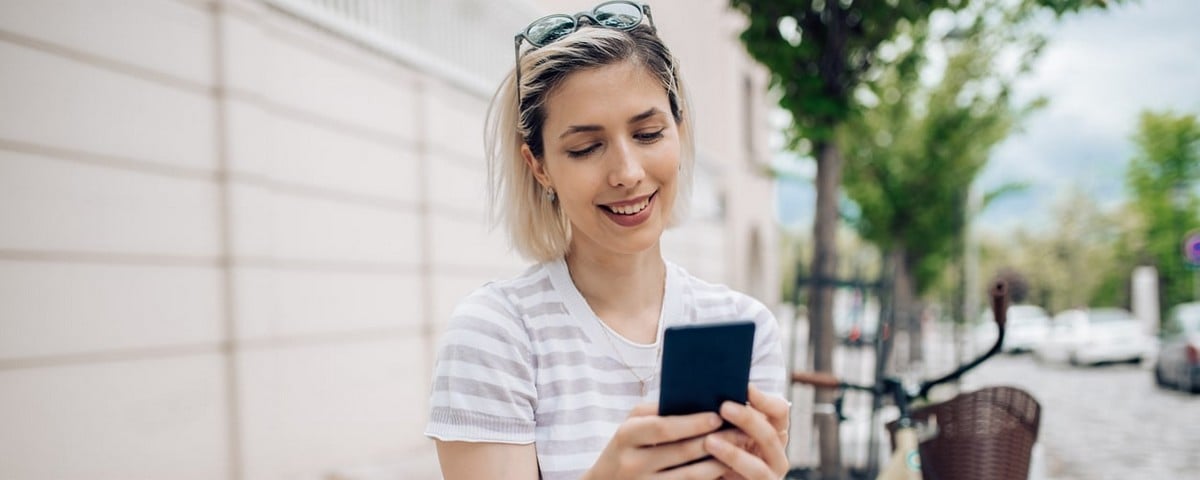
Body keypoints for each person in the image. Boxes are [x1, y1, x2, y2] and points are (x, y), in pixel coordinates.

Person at [424, 2, 789, 479]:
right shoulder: (497, 334)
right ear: (539, 167)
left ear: (679, 133)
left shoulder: (745, 326)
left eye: (649, 133)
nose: (628, 173)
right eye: (586, 148)